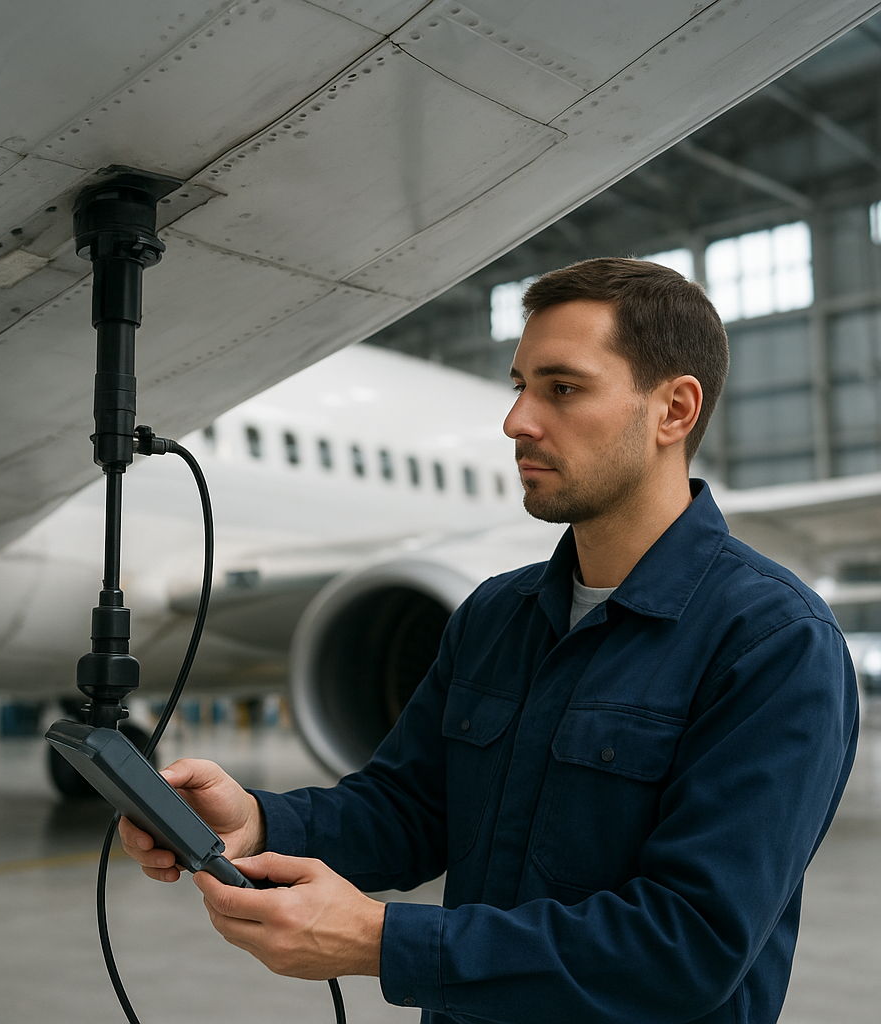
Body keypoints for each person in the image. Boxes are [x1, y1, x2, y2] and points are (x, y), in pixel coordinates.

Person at [121, 258, 858, 1024]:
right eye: (520, 387)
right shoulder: (494, 615)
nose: (517, 422)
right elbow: (410, 809)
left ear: (674, 410)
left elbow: (686, 946)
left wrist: (381, 941)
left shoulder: (772, 643)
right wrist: (259, 822)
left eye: (562, 389)